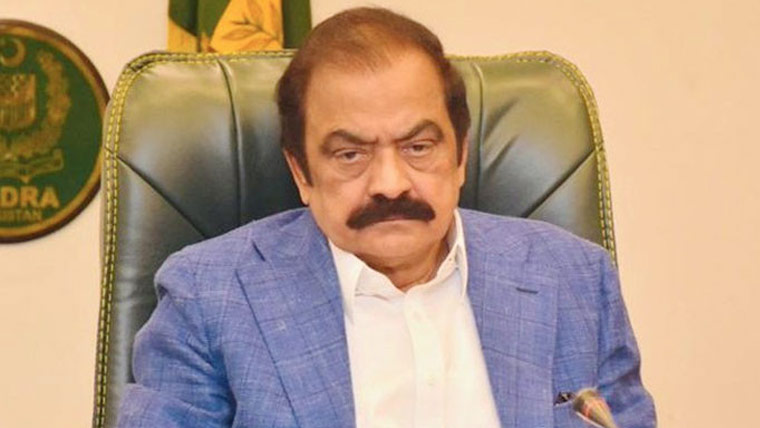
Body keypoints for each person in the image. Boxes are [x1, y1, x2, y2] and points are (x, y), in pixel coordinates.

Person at [117, 7, 656, 428]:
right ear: (301, 173)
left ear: (461, 155)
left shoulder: (575, 279)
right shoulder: (208, 297)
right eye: (350, 154)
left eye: (418, 147)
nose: (391, 184)